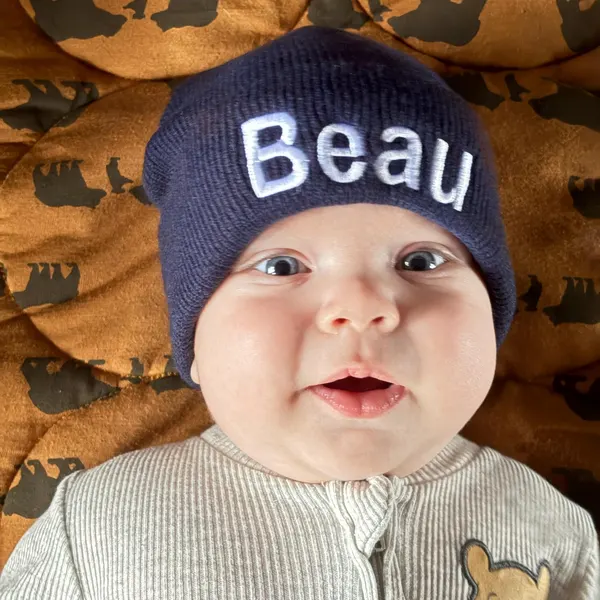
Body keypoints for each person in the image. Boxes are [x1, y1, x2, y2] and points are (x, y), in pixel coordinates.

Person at [0, 26, 598, 600]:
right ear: (197, 343)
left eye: (420, 261)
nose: (362, 308)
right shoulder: (99, 523)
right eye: (282, 266)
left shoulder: (554, 525)